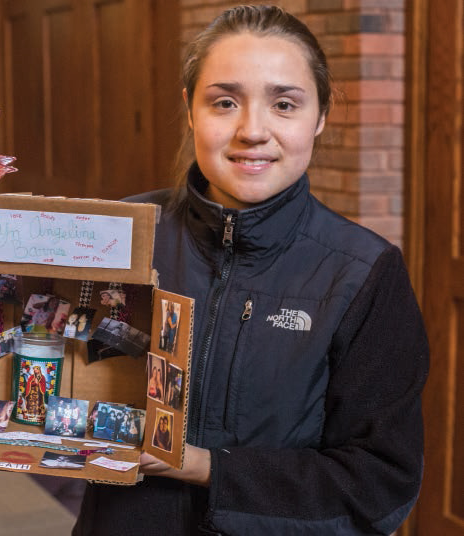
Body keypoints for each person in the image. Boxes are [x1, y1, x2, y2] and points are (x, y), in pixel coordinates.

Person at [73, 5, 429, 536]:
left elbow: (377, 485)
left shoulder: (363, 273)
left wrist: (205, 465)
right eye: (224, 102)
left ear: (321, 115)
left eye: (284, 104)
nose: (253, 130)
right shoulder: (120, 236)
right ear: (190, 110)